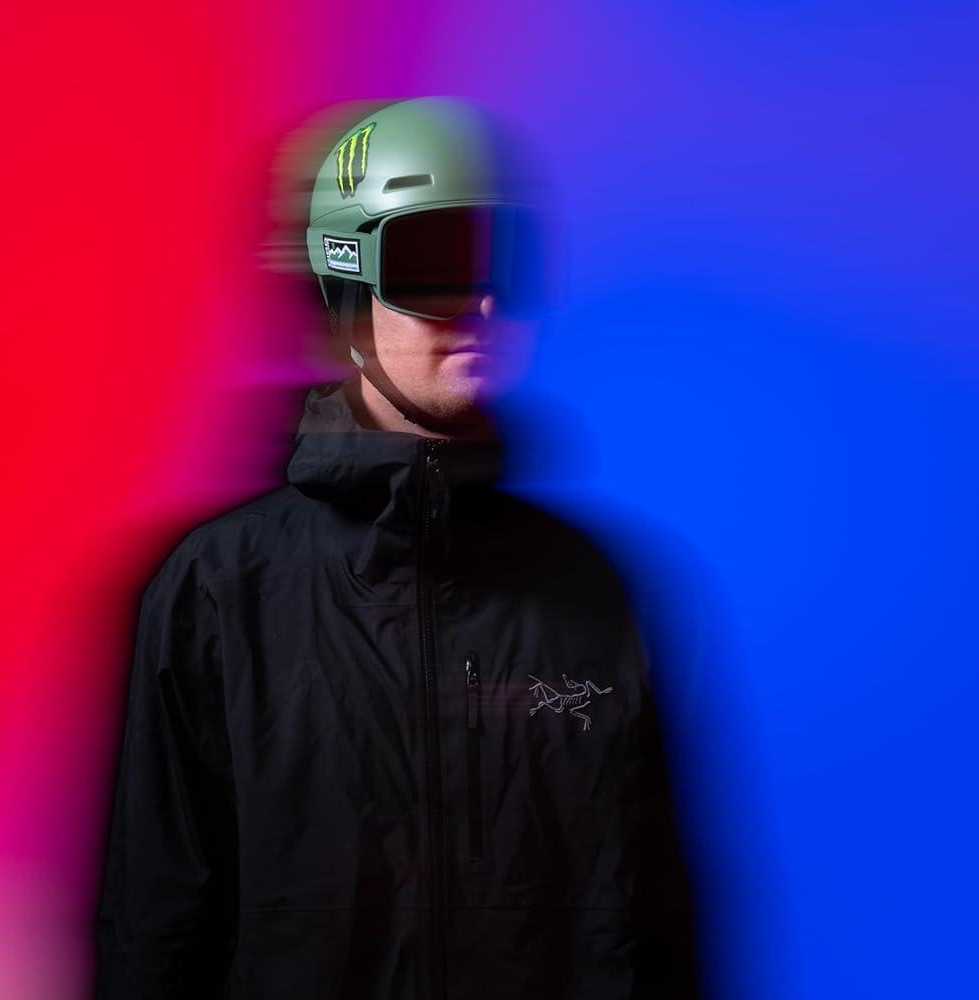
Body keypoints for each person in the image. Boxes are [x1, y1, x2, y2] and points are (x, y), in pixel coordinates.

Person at [93, 96, 700, 999]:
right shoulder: (219, 592)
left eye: (497, 259)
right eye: (433, 264)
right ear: (345, 282)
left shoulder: (593, 589)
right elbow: (156, 923)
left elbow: (662, 924)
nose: (481, 303)